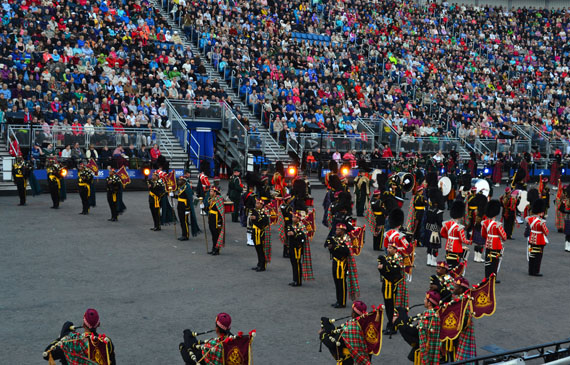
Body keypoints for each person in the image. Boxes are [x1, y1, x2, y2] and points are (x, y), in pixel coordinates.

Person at [43, 308, 116, 365]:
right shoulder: (106, 342)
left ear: (83, 324)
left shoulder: (70, 343)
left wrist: (61, 336)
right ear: (99, 324)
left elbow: (46, 354)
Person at [180, 313, 252, 365]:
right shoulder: (237, 342)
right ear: (229, 328)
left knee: (189, 356)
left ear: (217, 329)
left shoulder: (214, 345)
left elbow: (190, 358)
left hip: (208, 358)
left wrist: (182, 347)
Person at [325, 223, 359, 308]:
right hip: (335, 262)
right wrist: (335, 248)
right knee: (336, 282)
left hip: (343, 264)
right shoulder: (334, 238)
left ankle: (342, 302)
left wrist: (335, 247)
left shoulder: (347, 239)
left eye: (338, 230)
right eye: (336, 230)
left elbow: (346, 251)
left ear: (343, 231)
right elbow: (331, 249)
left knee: (342, 282)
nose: (336, 231)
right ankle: (338, 300)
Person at [377, 242, 404, 335]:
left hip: (394, 286)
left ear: (395, 250)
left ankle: (393, 327)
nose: (388, 249)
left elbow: (395, 271)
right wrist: (385, 268)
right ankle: (389, 324)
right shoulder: (387, 258)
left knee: (393, 307)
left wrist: (384, 266)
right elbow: (381, 270)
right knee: (388, 306)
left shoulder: (398, 258)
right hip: (386, 285)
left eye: (391, 248)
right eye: (388, 247)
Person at [481, 200, 507, 281]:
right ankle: (492, 278)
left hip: (488, 244)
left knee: (488, 262)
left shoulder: (485, 223)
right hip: (496, 245)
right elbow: (504, 236)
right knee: (494, 263)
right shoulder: (497, 225)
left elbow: (483, 234)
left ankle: (487, 277)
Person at [441, 201, 471, 270]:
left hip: (448, 247)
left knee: (448, 265)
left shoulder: (446, 223)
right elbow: (463, 239)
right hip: (456, 248)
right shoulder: (459, 227)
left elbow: (442, 233)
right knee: (455, 267)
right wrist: (469, 242)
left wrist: (449, 238)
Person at [453, 277, 477, 362]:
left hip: (465, 331)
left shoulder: (464, 300)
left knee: (464, 357)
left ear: (461, 289)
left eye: (455, 286)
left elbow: (465, 319)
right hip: (462, 332)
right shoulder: (462, 298)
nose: (453, 288)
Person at [525, 199, 548, 276]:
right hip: (539, 240)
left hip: (532, 239)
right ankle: (535, 271)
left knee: (532, 255)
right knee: (538, 257)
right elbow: (546, 232)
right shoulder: (541, 222)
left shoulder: (530, 219)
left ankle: (530, 270)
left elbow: (527, 221)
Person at [418, 291, 441, 365]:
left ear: (429, 303)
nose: (424, 300)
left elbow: (422, 338)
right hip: (436, 349)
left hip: (427, 350)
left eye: (425, 299)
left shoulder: (427, 315)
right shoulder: (438, 314)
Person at [424, 188, 444, 266]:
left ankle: (428, 260)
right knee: (435, 246)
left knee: (429, 245)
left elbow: (426, 220)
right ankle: (433, 260)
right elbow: (440, 222)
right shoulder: (439, 211)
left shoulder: (429, 209)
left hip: (428, 228)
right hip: (435, 229)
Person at [287, 211, 307, 286]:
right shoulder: (290, 225)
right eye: (293, 217)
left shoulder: (302, 226)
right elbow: (288, 231)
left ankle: (298, 281)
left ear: (298, 219)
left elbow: (303, 236)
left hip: (297, 248)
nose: (293, 218)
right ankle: (294, 279)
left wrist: (294, 234)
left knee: (297, 264)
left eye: (295, 217)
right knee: (293, 263)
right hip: (291, 246)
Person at [250, 198, 270, 271]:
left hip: (261, 233)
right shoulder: (254, 210)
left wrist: (256, 218)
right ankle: (259, 263)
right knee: (257, 249)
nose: (256, 205)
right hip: (255, 231)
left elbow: (265, 221)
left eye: (258, 203)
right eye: (256, 203)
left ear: (262, 204)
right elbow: (252, 219)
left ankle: (262, 265)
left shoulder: (264, 211)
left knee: (261, 249)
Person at [208, 186, 225, 255]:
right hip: (211, 218)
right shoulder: (211, 199)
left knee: (216, 235)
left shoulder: (219, 199)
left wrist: (220, 221)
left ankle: (217, 249)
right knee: (213, 234)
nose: (210, 192)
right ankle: (213, 248)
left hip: (216, 219)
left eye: (211, 191)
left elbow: (221, 211)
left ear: (215, 192)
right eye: (210, 191)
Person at [176, 176, 192, 241]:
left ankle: (186, 235)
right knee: (181, 220)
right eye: (179, 180)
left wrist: (188, 209)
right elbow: (180, 196)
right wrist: (173, 196)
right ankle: (183, 234)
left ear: (184, 181)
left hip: (185, 206)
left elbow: (189, 199)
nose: (179, 181)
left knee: (185, 221)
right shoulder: (180, 187)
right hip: (180, 205)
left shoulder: (186, 187)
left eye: (180, 180)